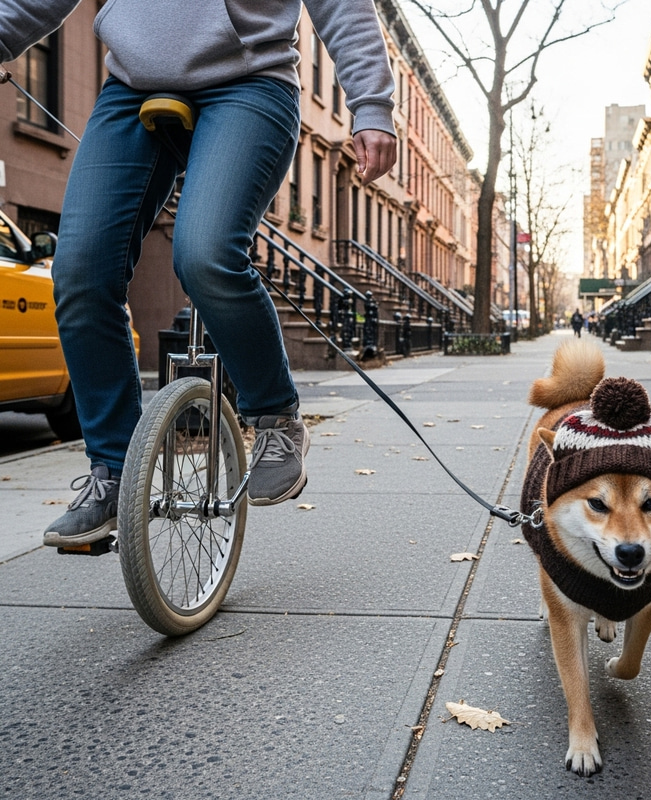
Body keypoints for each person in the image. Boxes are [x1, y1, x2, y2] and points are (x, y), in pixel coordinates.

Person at [0, 0, 397, 546]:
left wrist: (372, 105)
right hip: (132, 83)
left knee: (205, 252)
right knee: (79, 272)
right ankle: (113, 470)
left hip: (249, 82)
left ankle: (276, 419)